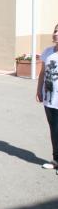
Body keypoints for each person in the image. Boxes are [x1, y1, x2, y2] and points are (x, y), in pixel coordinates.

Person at [36, 22, 58, 171]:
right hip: (49, 98)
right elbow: (43, 72)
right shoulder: (48, 51)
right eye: (55, 31)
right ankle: (56, 159)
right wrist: (39, 90)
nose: (56, 34)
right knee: (54, 129)